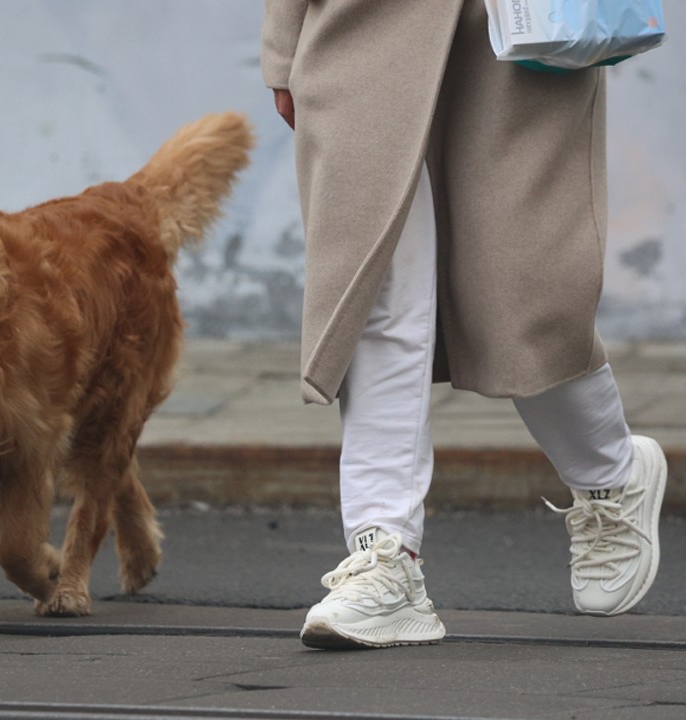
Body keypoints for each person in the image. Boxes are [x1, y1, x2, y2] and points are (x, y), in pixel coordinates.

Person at [261, 0, 668, 649]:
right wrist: (283, 44)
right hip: (359, 27)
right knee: (375, 280)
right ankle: (385, 555)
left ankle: (611, 475)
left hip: (518, 27)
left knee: (515, 298)